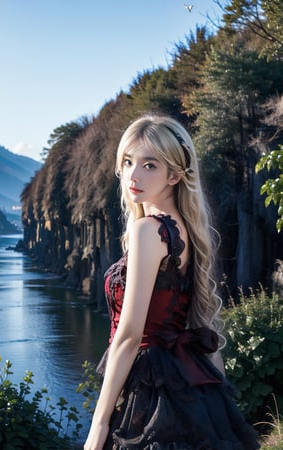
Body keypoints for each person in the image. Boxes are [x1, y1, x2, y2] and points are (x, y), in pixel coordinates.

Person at [84, 114, 260, 450]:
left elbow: (130, 336)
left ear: (175, 175)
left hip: (152, 389)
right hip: (184, 381)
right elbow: (199, 320)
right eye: (128, 161)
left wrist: (99, 423)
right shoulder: (184, 230)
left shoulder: (149, 230)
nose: (133, 175)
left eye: (150, 165)